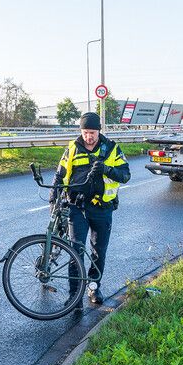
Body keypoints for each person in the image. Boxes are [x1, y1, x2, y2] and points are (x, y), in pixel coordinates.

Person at [50, 112, 131, 309]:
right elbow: (60, 175)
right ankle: (74, 296)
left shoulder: (112, 149)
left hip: (103, 210)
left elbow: (126, 175)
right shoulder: (72, 149)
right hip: (77, 208)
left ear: (98, 131)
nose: (89, 137)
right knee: (75, 251)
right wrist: (53, 198)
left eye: (92, 132)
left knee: (98, 252)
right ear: (81, 131)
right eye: (85, 132)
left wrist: (106, 169)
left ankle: (94, 287)